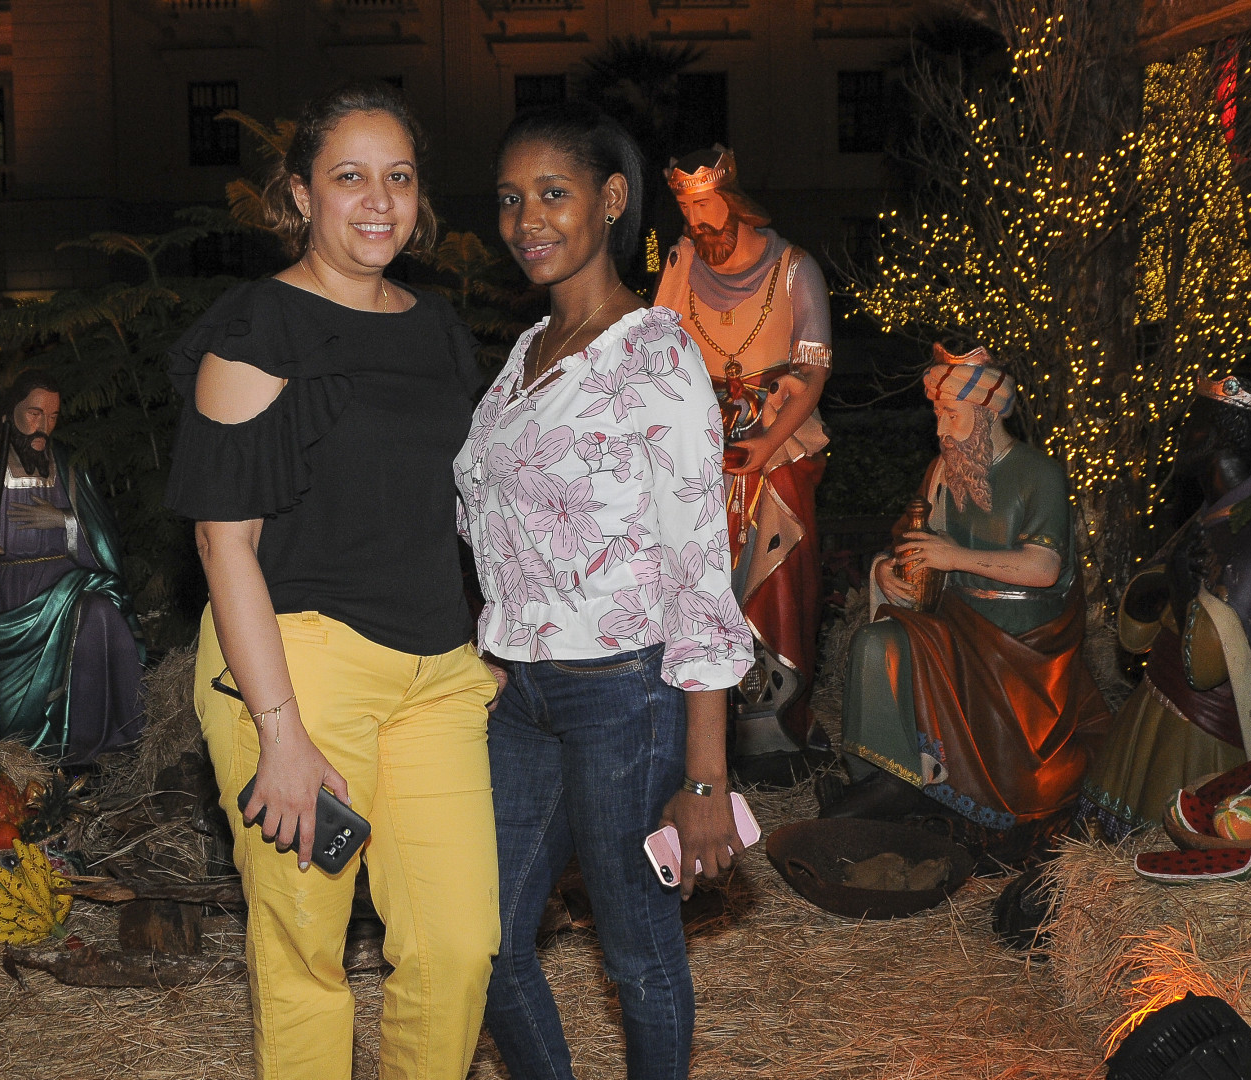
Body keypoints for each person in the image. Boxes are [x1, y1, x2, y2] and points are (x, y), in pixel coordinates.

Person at [164, 81, 499, 1080]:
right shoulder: (260, 326)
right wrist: (280, 733)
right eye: (349, 176)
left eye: (399, 176)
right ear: (303, 195)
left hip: (436, 675)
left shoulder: (438, 329)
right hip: (296, 668)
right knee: (305, 960)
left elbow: (460, 504)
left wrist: (490, 639)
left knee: (457, 948)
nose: (378, 200)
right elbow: (222, 543)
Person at [461, 102, 754, 1080]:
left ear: (613, 199)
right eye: (510, 198)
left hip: (625, 694)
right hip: (520, 694)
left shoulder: (654, 351)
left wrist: (706, 779)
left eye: (553, 192)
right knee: (487, 940)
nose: (527, 219)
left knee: (636, 952)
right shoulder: (526, 354)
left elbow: (700, 566)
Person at [826, 345, 1111, 829]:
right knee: (876, 643)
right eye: (937, 415)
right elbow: (912, 539)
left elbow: (1043, 567)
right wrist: (886, 571)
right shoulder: (944, 471)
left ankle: (942, 789)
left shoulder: (1039, 474)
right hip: (954, 621)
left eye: (952, 415)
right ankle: (887, 776)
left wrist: (953, 557)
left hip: (1021, 642)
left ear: (986, 414)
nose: (940, 430)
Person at [653, 145, 833, 782]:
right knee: (695, 577)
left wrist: (767, 442)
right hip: (700, 446)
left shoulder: (794, 269)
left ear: (733, 200)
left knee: (773, 572)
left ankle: (770, 729)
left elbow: (812, 370)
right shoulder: (681, 262)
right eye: (685, 208)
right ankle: (702, 729)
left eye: (705, 205)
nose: (696, 221)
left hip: (777, 445)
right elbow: (655, 349)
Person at [1083, 376, 1251, 836]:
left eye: (1190, 423)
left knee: (1178, 846)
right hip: (1158, 710)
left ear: (1219, 435)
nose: (1179, 435)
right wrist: (1169, 582)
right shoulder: (1213, 511)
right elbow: (1137, 631)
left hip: (1207, 738)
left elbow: (1206, 665)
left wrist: (1177, 582)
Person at [0, 371, 146, 764]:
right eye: (34, 413)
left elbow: (102, 533)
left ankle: (93, 744)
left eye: (53, 416)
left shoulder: (68, 467)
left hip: (67, 582)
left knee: (100, 614)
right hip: (9, 596)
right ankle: (25, 759)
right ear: (9, 415)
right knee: (11, 729)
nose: (44, 426)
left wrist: (63, 520)